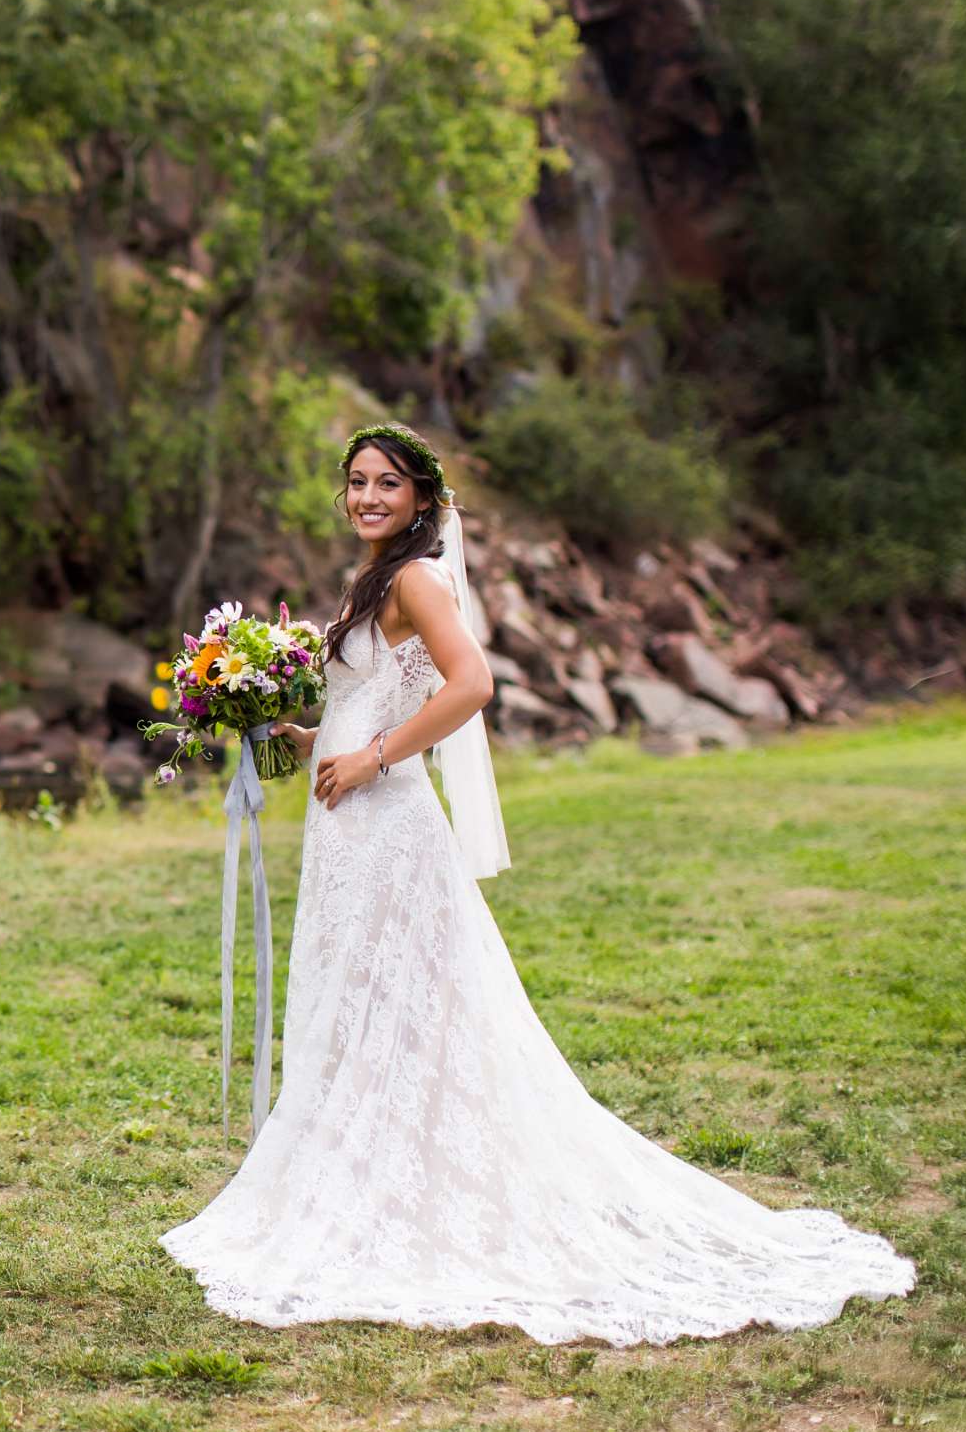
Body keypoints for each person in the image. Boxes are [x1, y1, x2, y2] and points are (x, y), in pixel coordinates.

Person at [157, 423, 916, 1347]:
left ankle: (421, 1191)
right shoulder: (373, 581)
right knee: (367, 1003)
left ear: (423, 500)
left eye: (386, 484)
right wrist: (320, 739)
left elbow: (471, 684)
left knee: (413, 1007)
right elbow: (374, 695)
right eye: (355, 482)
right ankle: (378, 1169)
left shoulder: (417, 577)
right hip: (348, 825)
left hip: (389, 828)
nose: (366, 497)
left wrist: (375, 760)